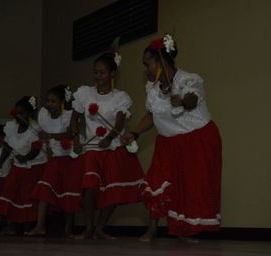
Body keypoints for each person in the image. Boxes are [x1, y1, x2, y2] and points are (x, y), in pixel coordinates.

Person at [123, 34, 222, 241]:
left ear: (160, 61)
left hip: (196, 139)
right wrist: (135, 132)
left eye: (147, 63)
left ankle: (185, 231)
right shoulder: (152, 88)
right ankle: (151, 230)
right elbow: (151, 115)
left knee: (190, 187)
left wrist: (183, 101)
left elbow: (192, 99)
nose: (144, 68)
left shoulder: (188, 79)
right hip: (167, 142)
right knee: (157, 182)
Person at [71, 51, 145, 239]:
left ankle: (100, 228)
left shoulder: (120, 97)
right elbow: (75, 119)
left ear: (112, 74)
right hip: (91, 149)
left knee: (114, 188)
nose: (98, 76)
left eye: (102, 72)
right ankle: (88, 227)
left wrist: (110, 137)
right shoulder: (84, 93)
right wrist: (76, 139)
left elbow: (120, 122)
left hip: (112, 147)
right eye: (96, 72)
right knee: (90, 186)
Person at [28, 85, 83, 238]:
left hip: (70, 159)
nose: (49, 104)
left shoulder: (68, 115)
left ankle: (68, 229)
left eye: (53, 101)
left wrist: (50, 135)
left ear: (60, 102)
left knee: (69, 193)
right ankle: (40, 226)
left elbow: (70, 133)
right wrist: (47, 144)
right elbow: (45, 137)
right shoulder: (44, 116)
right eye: (47, 101)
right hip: (54, 160)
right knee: (44, 189)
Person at [0, 96, 47, 234]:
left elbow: (36, 149)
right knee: (9, 192)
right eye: (16, 113)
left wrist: (25, 157)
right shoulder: (11, 128)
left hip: (34, 167)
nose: (18, 116)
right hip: (18, 166)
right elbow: (7, 148)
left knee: (26, 196)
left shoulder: (35, 129)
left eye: (22, 113)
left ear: (30, 114)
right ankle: (7, 226)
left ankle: (27, 227)